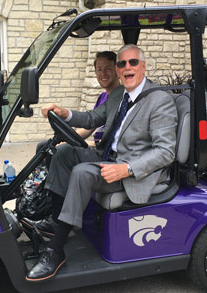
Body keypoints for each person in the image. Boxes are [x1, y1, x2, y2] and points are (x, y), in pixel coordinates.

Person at [26, 44, 178, 281]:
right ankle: (58, 222)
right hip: (108, 158)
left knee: (82, 172)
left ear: (143, 66)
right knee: (64, 153)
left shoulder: (159, 100)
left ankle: (55, 251)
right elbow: (92, 118)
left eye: (133, 63)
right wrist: (65, 112)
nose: (126, 67)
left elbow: (166, 152)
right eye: (122, 63)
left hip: (131, 172)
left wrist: (125, 169)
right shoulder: (119, 95)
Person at [22, 51, 120, 234]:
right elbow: (90, 125)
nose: (103, 73)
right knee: (46, 146)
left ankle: (56, 215)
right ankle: (45, 202)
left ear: (117, 69)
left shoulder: (121, 98)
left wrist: (80, 145)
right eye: (99, 69)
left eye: (108, 68)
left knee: (61, 153)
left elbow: (109, 139)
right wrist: (68, 136)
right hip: (95, 147)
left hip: (105, 153)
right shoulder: (103, 97)